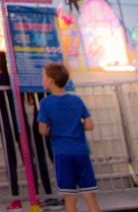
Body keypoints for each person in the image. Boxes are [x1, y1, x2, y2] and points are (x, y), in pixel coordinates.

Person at [0, 51, 54, 210]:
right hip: (20, 119)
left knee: (11, 161)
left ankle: (15, 199)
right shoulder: (16, 77)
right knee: (29, 158)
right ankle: (35, 195)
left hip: (5, 121)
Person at [38, 63, 99, 212]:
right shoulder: (76, 100)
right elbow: (90, 125)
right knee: (89, 194)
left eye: (43, 77)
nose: (42, 80)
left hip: (62, 152)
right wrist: (76, 126)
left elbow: (42, 130)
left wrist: (55, 129)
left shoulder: (45, 103)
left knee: (69, 196)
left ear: (51, 80)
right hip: (81, 151)